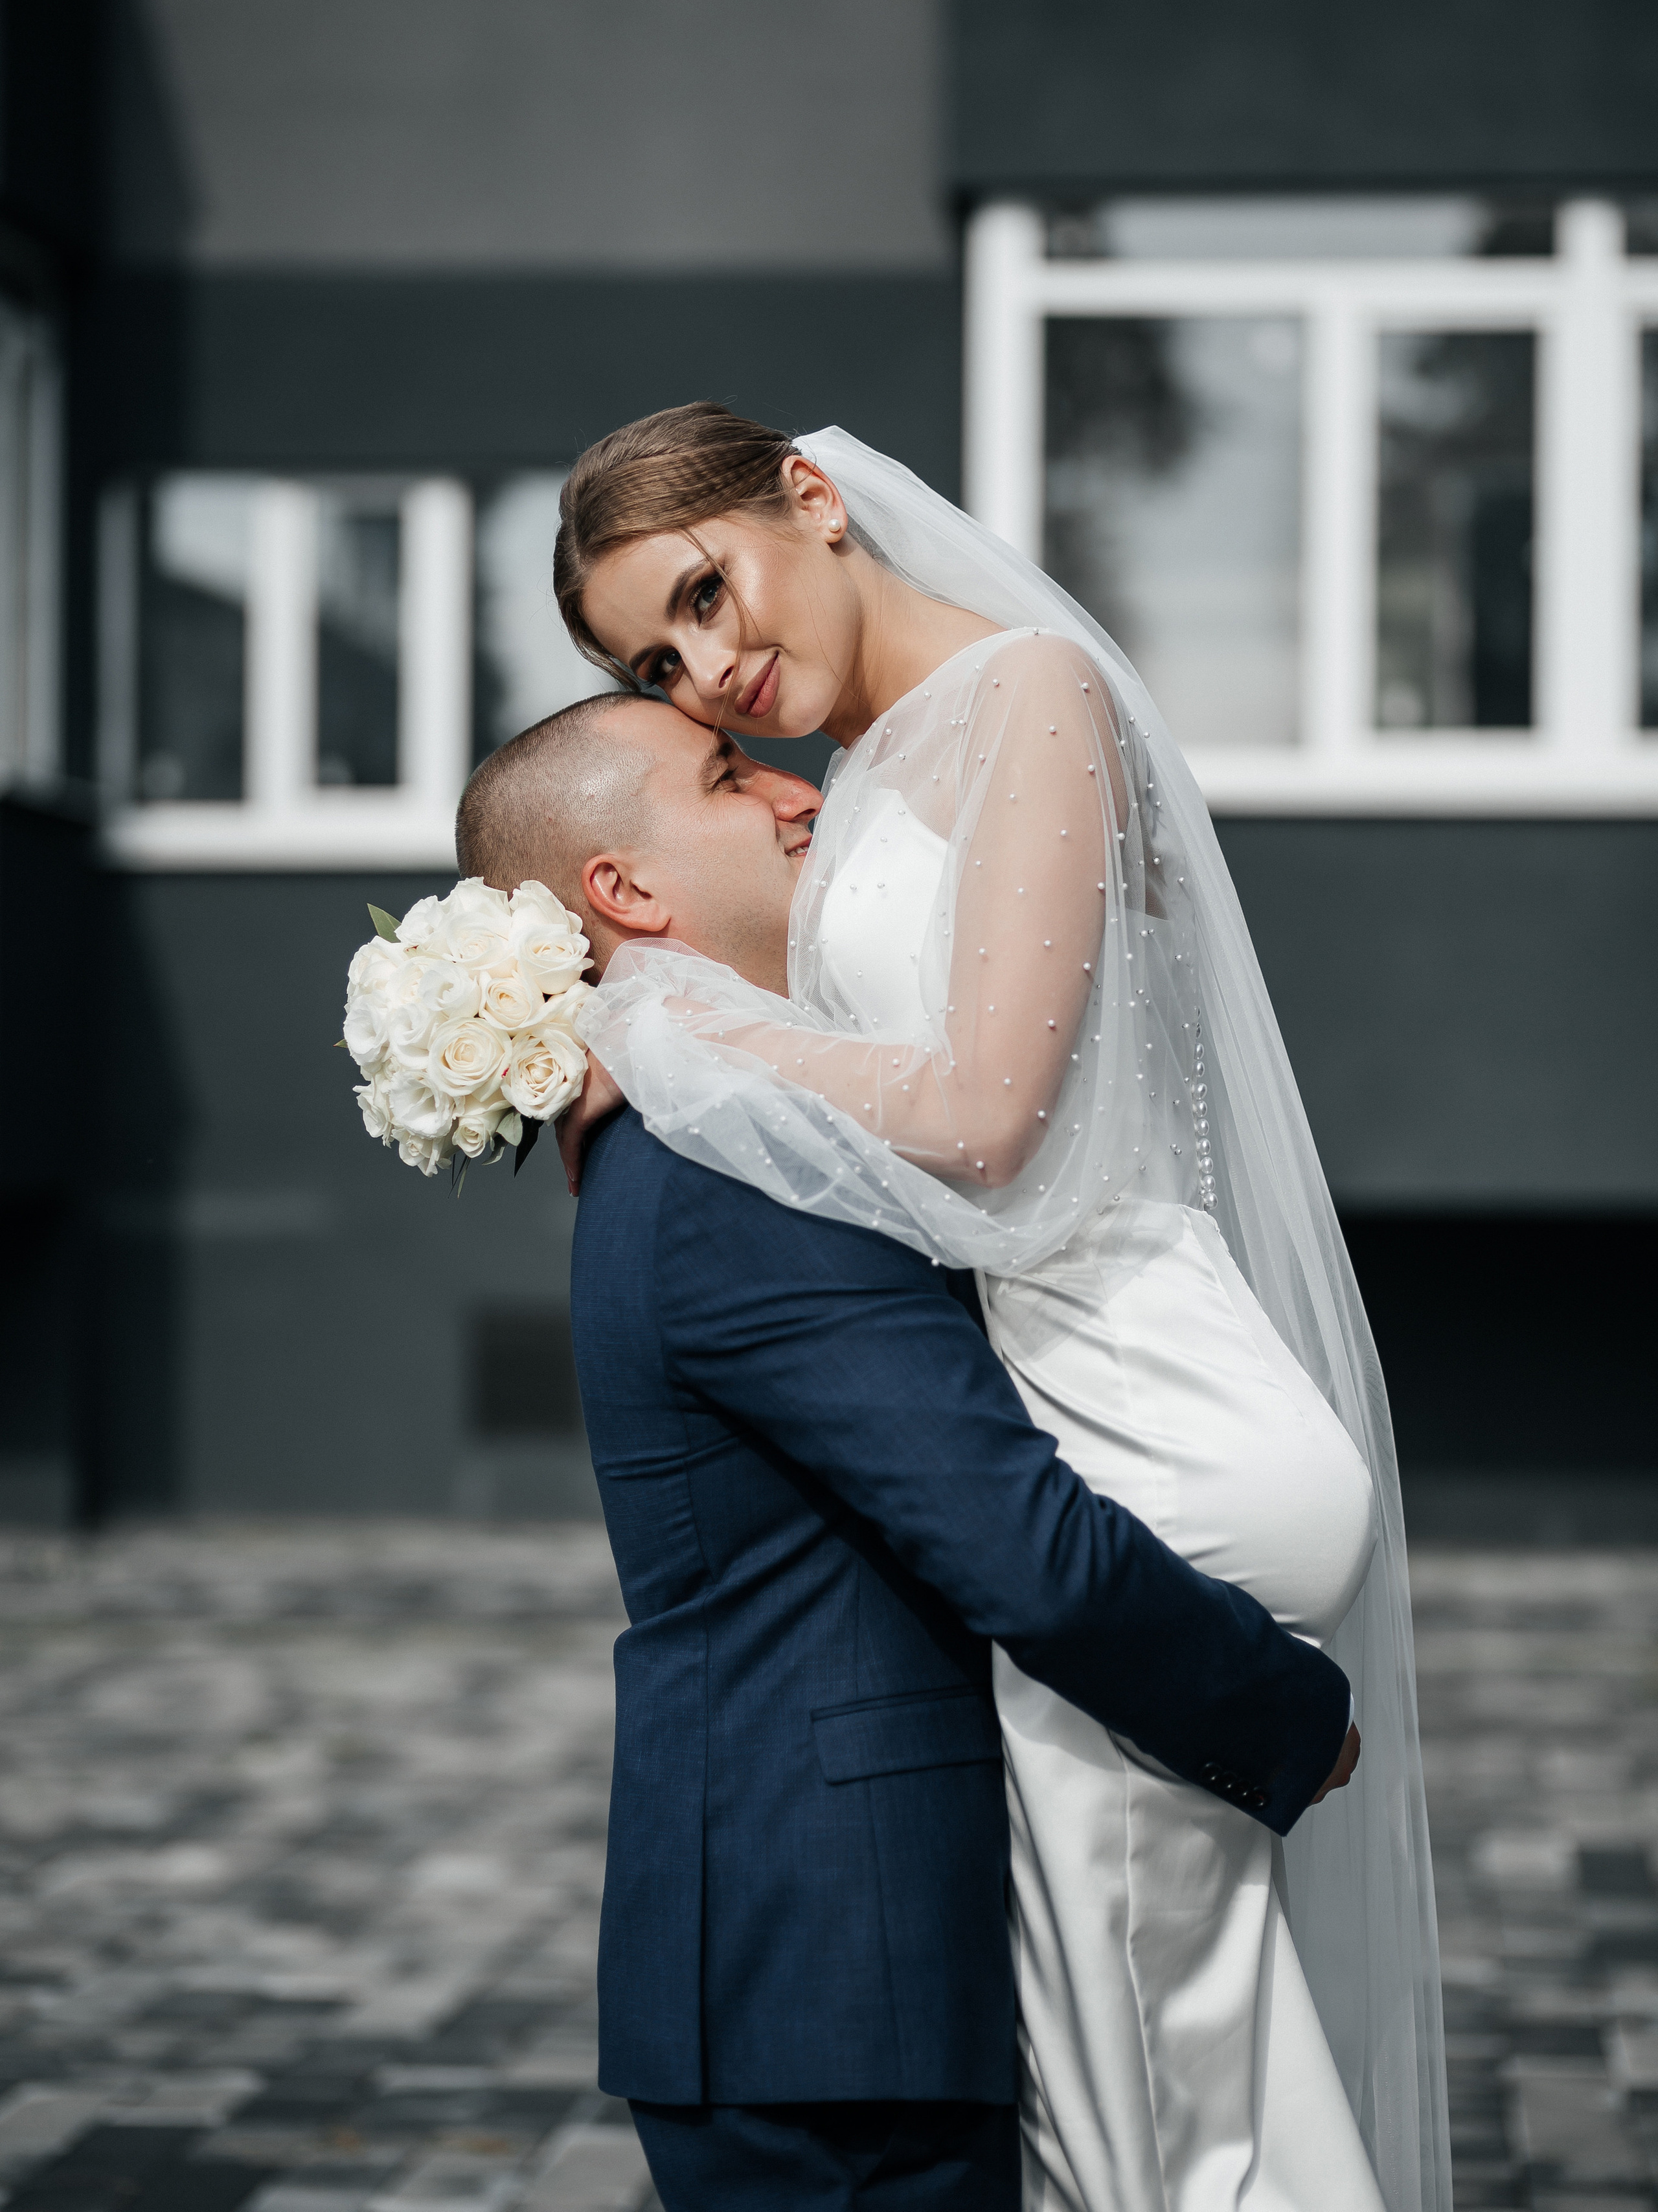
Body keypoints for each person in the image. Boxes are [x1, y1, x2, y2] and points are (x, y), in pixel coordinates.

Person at [548, 406, 1452, 2212]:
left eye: (708, 594)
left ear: (811, 499)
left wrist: (664, 1025)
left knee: (1169, 2142)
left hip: (1140, 1429)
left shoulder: (1035, 692)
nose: (713, 672)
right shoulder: (869, 771)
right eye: (660, 659)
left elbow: (977, 1119)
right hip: (1062, 1424)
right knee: (1182, 2092)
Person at [453, 700, 1358, 2212]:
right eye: (729, 778)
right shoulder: (721, 1168)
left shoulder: (719, 1129)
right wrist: (1282, 1716)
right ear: (626, 893)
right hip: (833, 1970)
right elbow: (1006, 1535)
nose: (799, 795)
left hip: (822, 1967)